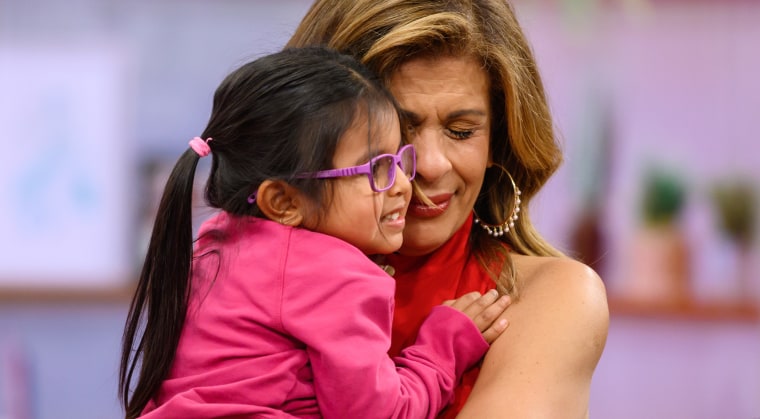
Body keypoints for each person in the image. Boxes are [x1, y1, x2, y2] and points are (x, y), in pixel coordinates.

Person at [118, 46, 513, 419]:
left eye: (396, 159)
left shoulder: (217, 240)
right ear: (284, 202)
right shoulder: (336, 275)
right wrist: (441, 348)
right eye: (375, 169)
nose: (404, 185)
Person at [287, 1, 610, 417]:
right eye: (399, 130)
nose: (431, 164)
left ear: (500, 140)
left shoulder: (554, 297)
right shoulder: (234, 273)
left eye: (461, 131)